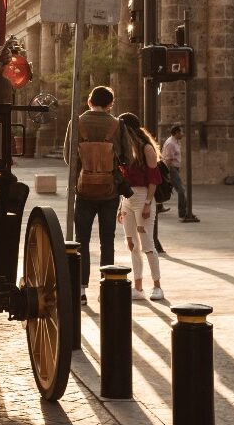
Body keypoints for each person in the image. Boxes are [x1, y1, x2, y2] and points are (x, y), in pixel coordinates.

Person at [63, 85, 126, 305]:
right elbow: (125, 156)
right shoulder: (117, 124)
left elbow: (68, 157)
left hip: (84, 190)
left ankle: (81, 290)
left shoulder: (77, 122)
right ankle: (106, 287)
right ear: (110, 103)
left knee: (82, 241)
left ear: (89, 101)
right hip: (109, 192)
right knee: (107, 241)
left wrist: (84, 171)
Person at [117, 113, 164, 301]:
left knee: (147, 244)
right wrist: (120, 206)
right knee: (132, 244)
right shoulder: (126, 149)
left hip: (143, 197)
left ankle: (157, 285)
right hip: (127, 199)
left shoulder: (146, 148)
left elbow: (154, 180)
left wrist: (147, 204)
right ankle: (138, 287)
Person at [161, 125, 190, 220]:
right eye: (181, 132)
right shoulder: (171, 143)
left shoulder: (176, 142)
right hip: (171, 169)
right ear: (176, 133)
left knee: (165, 188)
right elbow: (168, 160)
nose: (182, 134)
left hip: (175, 168)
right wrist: (168, 173)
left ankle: (158, 206)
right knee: (181, 190)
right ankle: (182, 213)